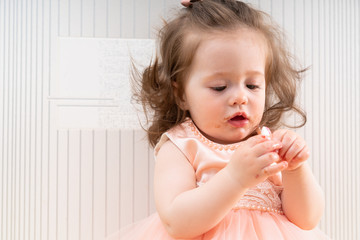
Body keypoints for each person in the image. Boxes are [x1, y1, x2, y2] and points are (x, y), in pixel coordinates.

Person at [108, 0, 331, 239]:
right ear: (181, 94)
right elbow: (177, 223)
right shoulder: (181, 146)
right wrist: (235, 178)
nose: (239, 97)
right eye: (219, 87)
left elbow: (307, 220)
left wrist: (295, 169)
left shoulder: (269, 144)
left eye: (252, 85)